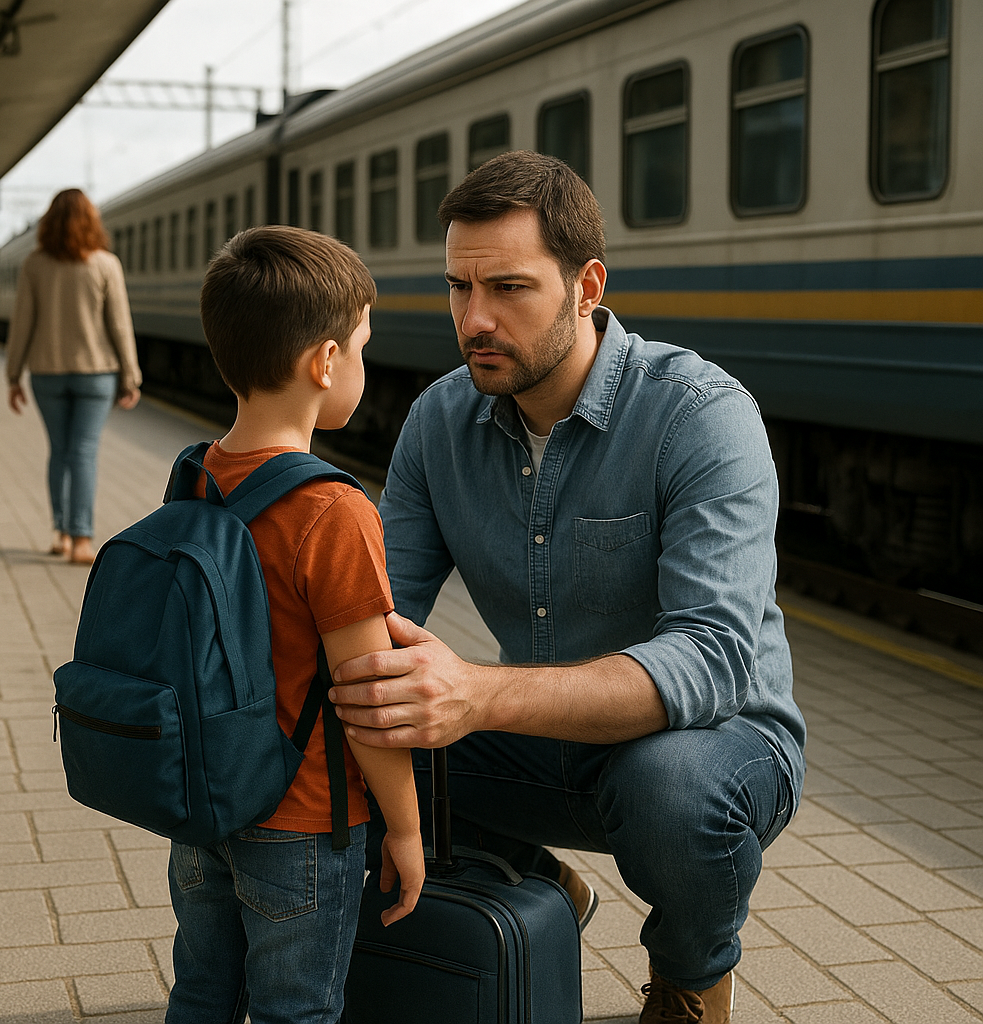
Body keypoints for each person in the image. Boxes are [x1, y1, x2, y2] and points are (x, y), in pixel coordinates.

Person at [329, 151, 806, 1024]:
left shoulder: (700, 414)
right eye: (458, 288)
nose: (475, 319)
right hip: (542, 739)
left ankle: (691, 980)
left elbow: (711, 660)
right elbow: (376, 608)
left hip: (717, 743)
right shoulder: (439, 421)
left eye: (509, 288)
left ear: (587, 287)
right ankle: (535, 885)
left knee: (671, 789)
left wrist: (476, 693)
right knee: (344, 727)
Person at [164, 225, 424, 1024]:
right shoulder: (334, 510)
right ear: (325, 362)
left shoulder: (196, 475)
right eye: (362, 349)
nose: (364, 367)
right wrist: (407, 829)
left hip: (203, 808)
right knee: (297, 1010)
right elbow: (367, 696)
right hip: (304, 822)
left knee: (201, 994)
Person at [5, 188, 142, 565]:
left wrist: (13, 375)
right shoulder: (106, 264)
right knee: (83, 452)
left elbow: (22, 323)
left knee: (59, 451)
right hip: (96, 375)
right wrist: (131, 376)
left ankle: (60, 534)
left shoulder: (35, 264)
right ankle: (81, 540)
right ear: (91, 221)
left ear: (49, 222)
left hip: (46, 372)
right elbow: (119, 324)